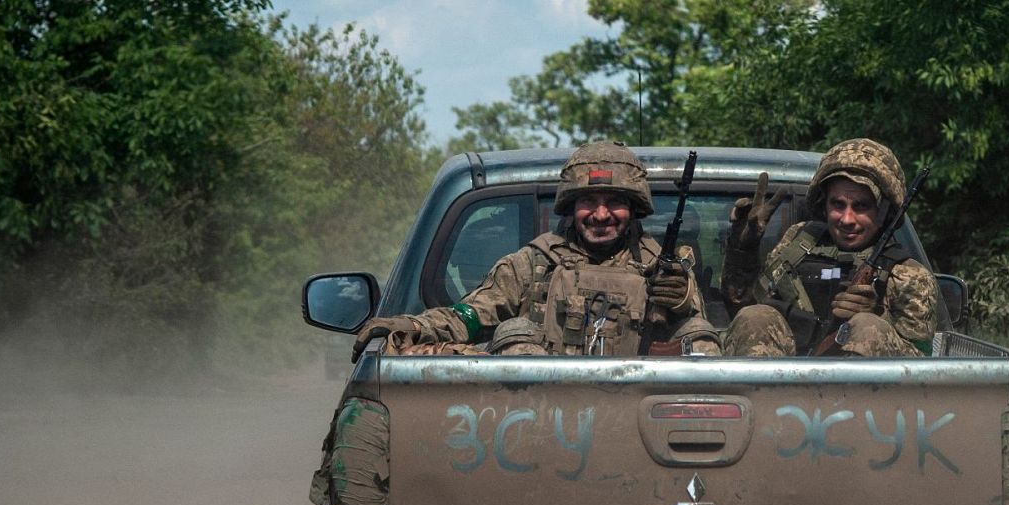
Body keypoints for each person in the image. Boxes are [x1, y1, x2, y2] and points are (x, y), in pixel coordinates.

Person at [353, 141, 718, 358]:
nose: (601, 214)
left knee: (699, 335)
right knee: (514, 333)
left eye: (615, 202)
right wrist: (414, 325)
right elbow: (469, 315)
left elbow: (698, 323)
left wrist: (681, 298)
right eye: (589, 201)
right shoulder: (535, 263)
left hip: (648, 414)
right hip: (537, 421)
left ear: (634, 208)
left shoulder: (663, 268)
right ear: (572, 207)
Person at [719, 138, 939, 357]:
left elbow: (921, 367)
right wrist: (742, 251)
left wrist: (879, 317)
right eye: (838, 204)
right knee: (755, 317)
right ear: (824, 203)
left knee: (867, 326)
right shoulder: (798, 242)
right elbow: (744, 305)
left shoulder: (909, 277)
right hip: (782, 381)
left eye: (861, 206)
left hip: (863, 389)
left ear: (883, 211)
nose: (847, 219)